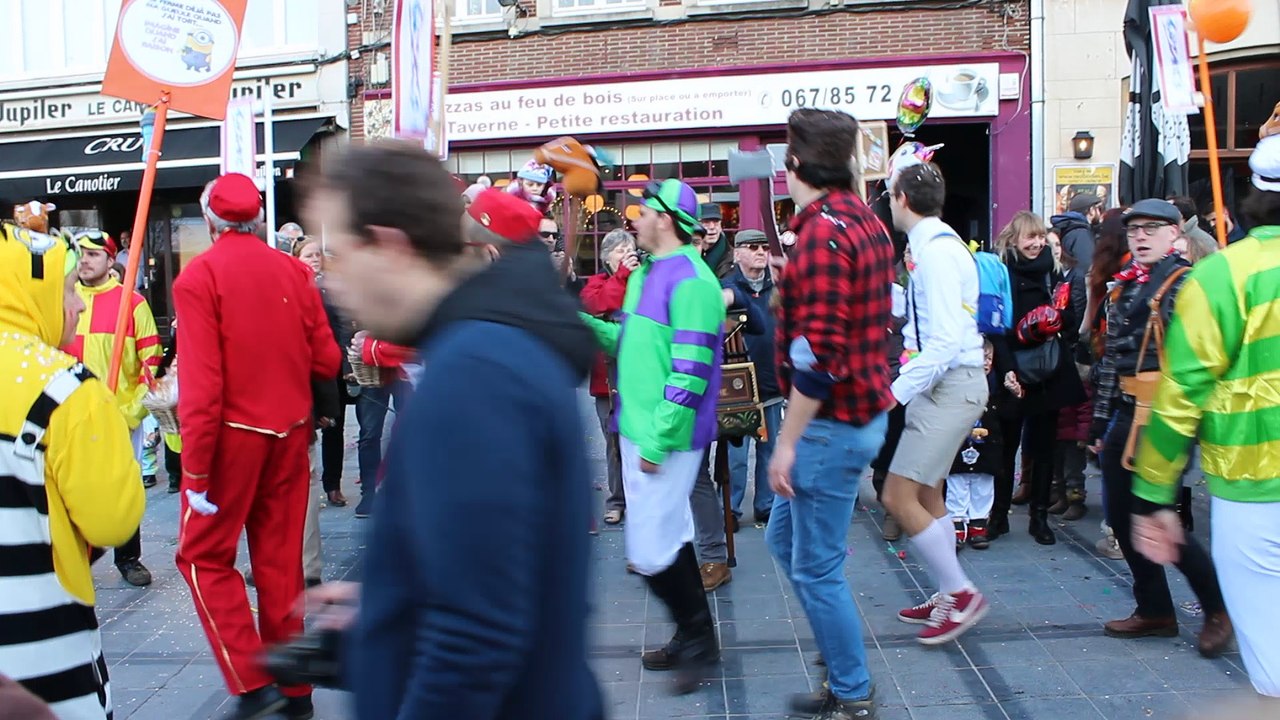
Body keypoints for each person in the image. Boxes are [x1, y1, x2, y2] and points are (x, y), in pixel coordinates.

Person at [304, 142, 603, 720]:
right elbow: (496, 567)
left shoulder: (473, 374)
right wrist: (391, 603)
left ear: (389, 246)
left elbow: (476, 639)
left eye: (339, 255)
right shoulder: (484, 350)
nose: (333, 283)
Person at [173, 173, 341, 720]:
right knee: (280, 565)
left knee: (200, 556)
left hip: (230, 441)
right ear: (259, 217)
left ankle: (253, 679)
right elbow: (327, 361)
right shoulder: (294, 269)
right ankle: (296, 693)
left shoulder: (199, 277)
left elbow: (203, 387)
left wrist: (194, 473)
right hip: (290, 435)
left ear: (212, 220)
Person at [1133, 137, 1280, 700]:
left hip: (1253, 496)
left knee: (1270, 667)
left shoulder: (1220, 276)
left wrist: (1153, 496)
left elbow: (1179, 396)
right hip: (1248, 495)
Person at [765, 108, 894, 720]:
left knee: (816, 568)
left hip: (829, 423)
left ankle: (850, 689)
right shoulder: (865, 220)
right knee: (785, 540)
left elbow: (817, 355)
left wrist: (787, 442)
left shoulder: (823, 231)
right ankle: (837, 656)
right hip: (857, 413)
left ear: (795, 164)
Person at [579, 178, 724, 692]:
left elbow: (690, 372)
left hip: (667, 436)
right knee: (669, 537)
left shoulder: (695, 282)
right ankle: (693, 636)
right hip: (640, 428)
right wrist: (584, 325)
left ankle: (699, 641)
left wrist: (659, 441)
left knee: (650, 548)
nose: (633, 219)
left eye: (642, 212)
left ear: (665, 220)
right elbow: (632, 339)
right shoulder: (650, 274)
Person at [0, 222, 144, 719]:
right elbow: (112, 522)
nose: (78, 304)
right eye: (65, 290)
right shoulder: (66, 388)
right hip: (38, 646)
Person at [1085, 198, 1231, 657]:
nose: (1141, 236)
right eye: (1134, 230)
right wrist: (1101, 421)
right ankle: (1155, 609)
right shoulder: (1129, 285)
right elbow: (1113, 361)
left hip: (1165, 417)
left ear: (1176, 237)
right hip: (1127, 413)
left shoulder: (1185, 284)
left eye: (1152, 228)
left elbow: (1199, 362)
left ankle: (1217, 610)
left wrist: (1187, 427)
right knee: (1125, 521)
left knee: (1162, 521)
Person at [882, 160, 990, 646]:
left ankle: (959, 591)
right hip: (943, 385)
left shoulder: (939, 252)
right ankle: (949, 590)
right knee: (927, 494)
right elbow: (923, 315)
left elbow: (944, 341)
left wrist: (895, 391)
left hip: (950, 384)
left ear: (901, 199)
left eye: (888, 192)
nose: (887, 200)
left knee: (897, 495)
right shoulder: (928, 246)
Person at [64, 229, 163, 587]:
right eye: (81, 254)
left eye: (93, 254)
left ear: (110, 260)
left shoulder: (132, 303)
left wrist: (133, 411)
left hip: (120, 416)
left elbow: (151, 361)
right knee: (69, 488)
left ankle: (129, 558)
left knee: (122, 487)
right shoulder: (63, 299)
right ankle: (75, 556)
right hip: (70, 417)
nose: (85, 261)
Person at [989, 211, 1085, 544]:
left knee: (1045, 449)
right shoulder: (1001, 272)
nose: (1037, 243)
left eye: (1041, 236)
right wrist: (1007, 368)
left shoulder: (1054, 271)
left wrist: (1057, 320)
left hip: (1049, 372)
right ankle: (997, 516)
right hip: (1014, 370)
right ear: (1013, 239)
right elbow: (996, 328)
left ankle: (1039, 518)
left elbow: (1071, 320)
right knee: (1005, 448)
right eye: (1030, 237)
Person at [723, 229, 781, 526]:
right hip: (738, 384)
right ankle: (730, 509)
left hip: (772, 380)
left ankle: (766, 504)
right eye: (753, 247)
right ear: (738, 253)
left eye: (764, 247)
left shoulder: (778, 287)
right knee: (737, 455)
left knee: (769, 449)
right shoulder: (727, 288)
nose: (761, 252)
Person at [579, 228, 637, 525]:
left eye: (629, 248)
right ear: (606, 258)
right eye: (619, 251)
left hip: (640, 376)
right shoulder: (597, 284)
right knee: (613, 443)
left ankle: (638, 499)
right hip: (607, 382)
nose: (626, 254)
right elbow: (598, 306)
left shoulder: (642, 279)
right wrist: (623, 276)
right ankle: (617, 500)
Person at [296, 239, 354, 508]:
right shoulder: (293, 285)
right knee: (304, 429)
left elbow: (343, 325)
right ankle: (306, 487)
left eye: (317, 254)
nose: (315, 258)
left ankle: (333, 484)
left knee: (334, 426)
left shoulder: (332, 288)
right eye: (309, 255)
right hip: (302, 369)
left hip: (330, 366)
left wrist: (344, 364)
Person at [945, 340, 1009, 550]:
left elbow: (1007, 413)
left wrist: (1014, 393)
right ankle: (957, 522)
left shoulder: (996, 385)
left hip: (987, 445)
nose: (985, 363)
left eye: (989, 358)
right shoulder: (956, 383)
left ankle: (978, 522)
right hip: (961, 444)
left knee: (983, 485)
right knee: (958, 484)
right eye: (981, 358)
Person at [1050, 191, 1101, 271]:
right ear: (1091, 211)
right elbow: (1085, 268)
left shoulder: (1070, 228)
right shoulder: (1082, 233)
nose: (1100, 212)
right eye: (1098, 208)